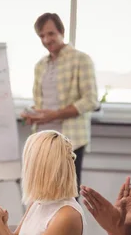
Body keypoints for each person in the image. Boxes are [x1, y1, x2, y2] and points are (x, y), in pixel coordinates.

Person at [21, 12, 99, 189]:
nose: (47, 40)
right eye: (42, 36)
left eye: (51, 34)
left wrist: (54, 115)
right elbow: (43, 103)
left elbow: (90, 100)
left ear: (61, 32)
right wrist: (33, 114)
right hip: (42, 138)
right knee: (42, 192)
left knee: (68, 193)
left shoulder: (81, 59)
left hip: (70, 140)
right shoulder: (41, 65)